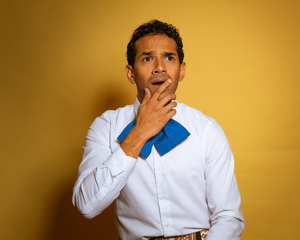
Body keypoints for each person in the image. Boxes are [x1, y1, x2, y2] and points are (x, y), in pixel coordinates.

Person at [72, 19, 245, 240]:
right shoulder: (105, 127)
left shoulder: (207, 130)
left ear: (181, 71)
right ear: (130, 73)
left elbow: (229, 217)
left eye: (169, 58)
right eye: (147, 58)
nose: (160, 67)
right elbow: (86, 205)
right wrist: (140, 132)